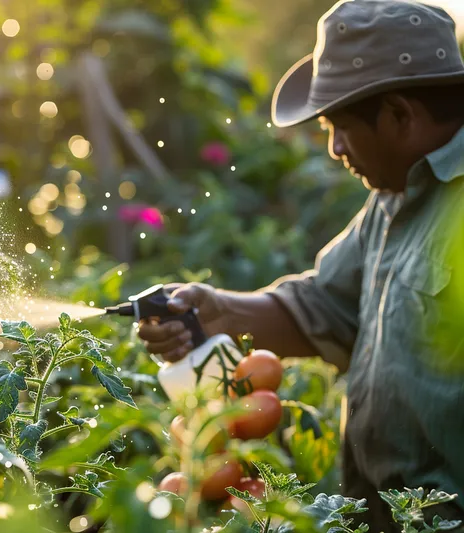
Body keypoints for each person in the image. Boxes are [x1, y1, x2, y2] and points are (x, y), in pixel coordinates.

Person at [140, 1, 464, 531]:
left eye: (339, 126)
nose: (334, 148)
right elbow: (324, 306)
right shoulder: (395, 197)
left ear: (402, 115)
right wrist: (219, 310)